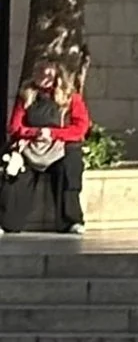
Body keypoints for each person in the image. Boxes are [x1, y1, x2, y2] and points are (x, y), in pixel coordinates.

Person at [3, 64, 92, 235]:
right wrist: (35, 133)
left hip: (61, 145)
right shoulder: (27, 95)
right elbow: (15, 126)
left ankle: (71, 221)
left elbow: (80, 127)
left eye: (48, 74)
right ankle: (8, 223)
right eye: (39, 72)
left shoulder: (71, 98)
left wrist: (53, 133)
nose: (43, 77)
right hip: (31, 146)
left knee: (69, 170)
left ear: (57, 76)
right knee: (15, 175)